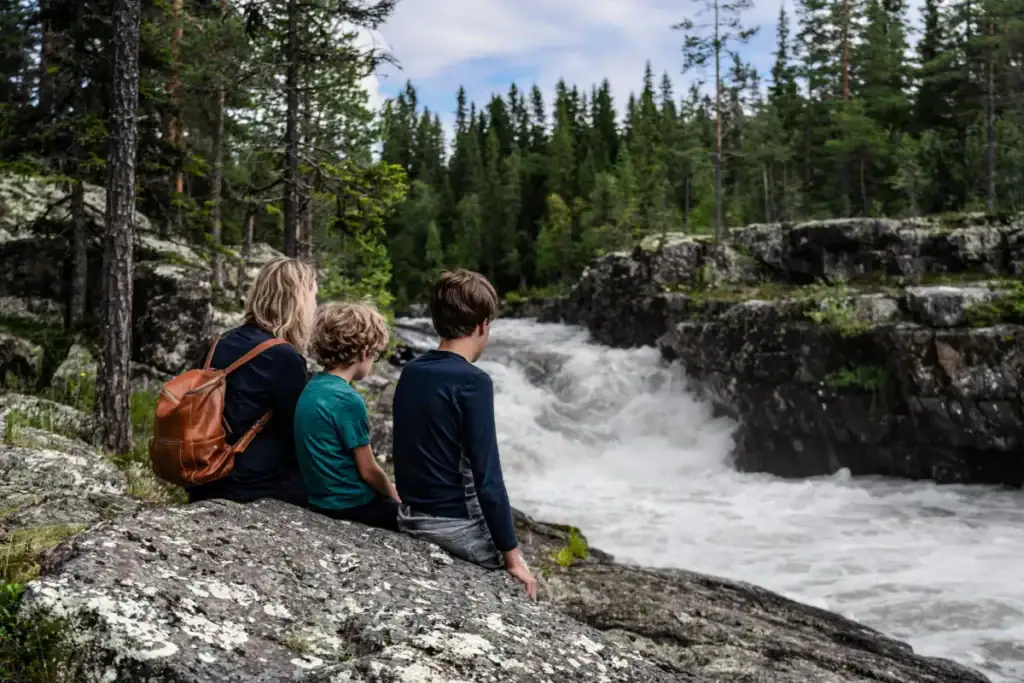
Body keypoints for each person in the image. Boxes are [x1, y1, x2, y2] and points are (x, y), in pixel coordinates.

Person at [392, 270, 537, 599]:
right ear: (483, 325)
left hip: (411, 517)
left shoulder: (412, 371)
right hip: (456, 526)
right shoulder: (473, 382)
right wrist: (512, 558)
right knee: (522, 589)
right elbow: (488, 479)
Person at [186, 256, 316, 506]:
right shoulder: (283, 356)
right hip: (248, 485)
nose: (315, 306)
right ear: (298, 302)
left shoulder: (221, 341)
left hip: (205, 474)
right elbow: (299, 433)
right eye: (313, 297)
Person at [293, 302, 400, 530]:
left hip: (318, 499)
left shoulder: (311, 386)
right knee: (418, 517)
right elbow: (369, 470)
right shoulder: (347, 400)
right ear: (365, 353)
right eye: (376, 356)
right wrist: (393, 493)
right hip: (350, 504)